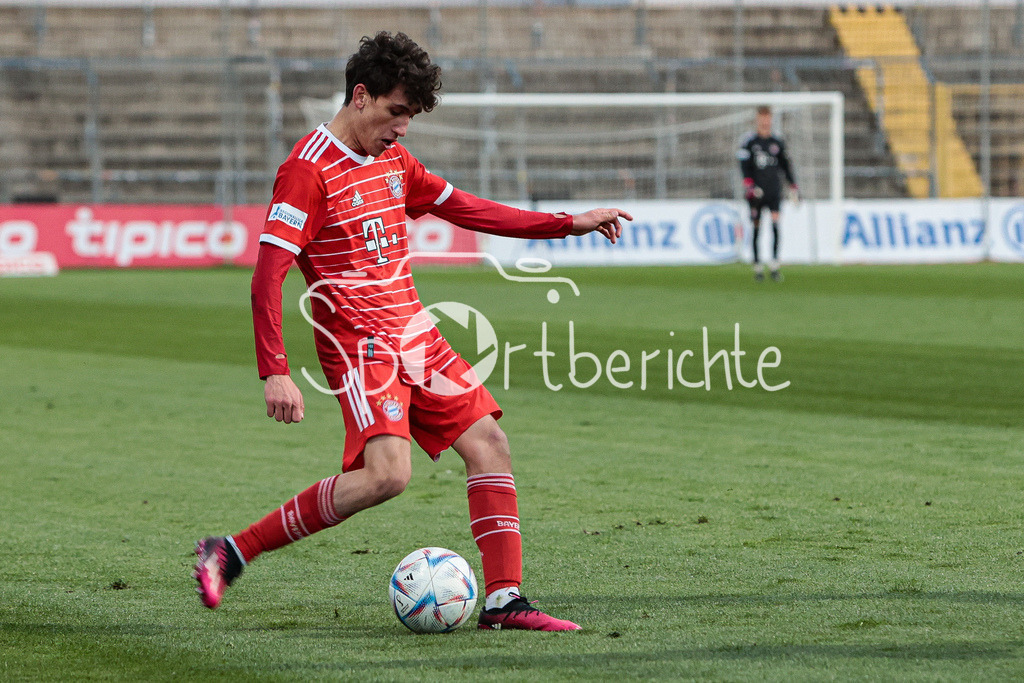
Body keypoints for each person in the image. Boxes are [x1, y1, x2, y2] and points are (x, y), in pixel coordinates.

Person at [192, 31, 631, 632]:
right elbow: (268, 274)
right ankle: (231, 550)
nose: (403, 128)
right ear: (361, 95)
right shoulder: (305, 173)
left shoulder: (394, 162)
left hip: (416, 335)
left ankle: (504, 601)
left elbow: (467, 208)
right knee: (388, 476)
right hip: (360, 348)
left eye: (412, 117)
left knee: (489, 445)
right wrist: (275, 369)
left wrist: (567, 224)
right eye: (397, 112)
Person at [737, 106, 798, 281]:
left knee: (775, 226)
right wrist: (749, 184)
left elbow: (786, 166)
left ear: (771, 120)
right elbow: (744, 166)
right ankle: (757, 266)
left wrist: (792, 184)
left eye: (767, 118)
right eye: (762, 118)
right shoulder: (749, 142)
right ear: (757, 120)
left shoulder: (777, 142)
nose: (765, 122)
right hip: (755, 193)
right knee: (757, 227)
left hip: (773, 191)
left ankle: (774, 266)